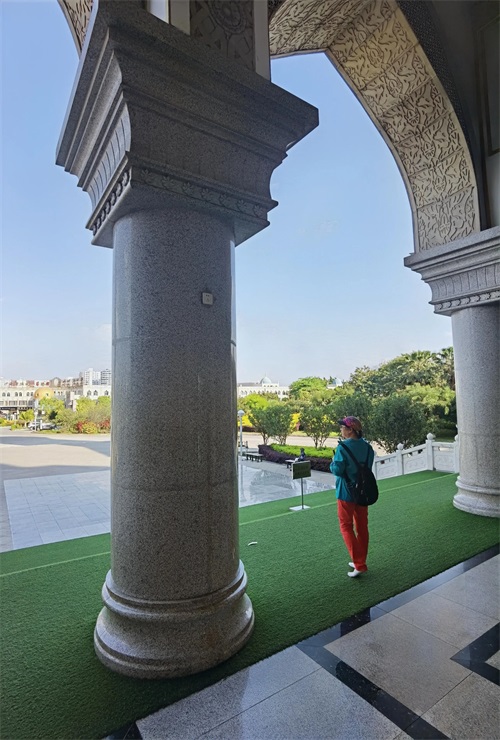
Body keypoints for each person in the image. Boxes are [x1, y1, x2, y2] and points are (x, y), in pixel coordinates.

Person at [330, 416, 375, 578]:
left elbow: (337, 470)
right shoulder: (368, 448)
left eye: (343, 427)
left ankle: (359, 563)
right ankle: (360, 560)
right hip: (363, 492)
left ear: (350, 430)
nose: (341, 430)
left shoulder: (342, 447)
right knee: (362, 527)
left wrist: (333, 461)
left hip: (346, 492)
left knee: (346, 526)